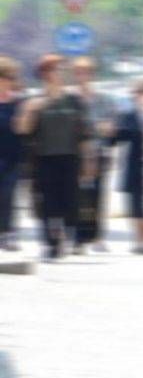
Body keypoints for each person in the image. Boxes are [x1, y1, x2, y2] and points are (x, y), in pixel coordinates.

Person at [16, 55, 94, 261]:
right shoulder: (35, 101)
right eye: (59, 69)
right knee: (47, 203)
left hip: (70, 158)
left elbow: (84, 133)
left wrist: (88, 160)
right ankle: (51, 243)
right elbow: (23, 129)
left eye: (64, 69)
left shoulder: (74, 101)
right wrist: (30, 111)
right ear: (46, 73)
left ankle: (65, 235)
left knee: (69, 202)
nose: (63, 73)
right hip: (44, 159)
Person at [71, 57, 118, 253]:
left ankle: (98, 236)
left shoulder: (103, 99)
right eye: (79, 73)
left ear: (92, 75)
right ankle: (78, 238)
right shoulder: (70, 99)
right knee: (78, 197)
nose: (83, 76)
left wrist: (103, 128)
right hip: (76, 153)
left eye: (87, 72)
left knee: (98, 196)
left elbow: (110, 128)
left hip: (98, 152)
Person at [113, 80, 143, 253]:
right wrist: (112, 130)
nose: (140, 97)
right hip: (135, 165)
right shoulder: (129, 116)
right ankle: (139, 242)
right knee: (135, 205)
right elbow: (117, 138)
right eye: (137, 94)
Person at [0, 57, 24, 251]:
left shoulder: (18, 104)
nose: (10, 81)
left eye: (12, 77)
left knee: (8, 194)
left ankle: (8, 233)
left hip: (12, 158)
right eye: (8, 77)